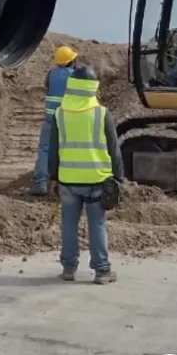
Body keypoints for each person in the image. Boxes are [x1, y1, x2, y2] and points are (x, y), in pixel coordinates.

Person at [47, 64, 124, 284]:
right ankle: (102, 271)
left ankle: (69, 269)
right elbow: (114, 149)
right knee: (97, 224)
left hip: (68, 180)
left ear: (71, 86)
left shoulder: (60, 113)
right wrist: (119, 179)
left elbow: (53, 149)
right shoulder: (101, 113)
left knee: (69, 224)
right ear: (93, 87)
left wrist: (53, 177)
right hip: (96, 179)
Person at [30, 45, 78, 196]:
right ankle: (66, 186)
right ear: (71, 61)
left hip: (50, 119)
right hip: (68, 121)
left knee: (45, 150)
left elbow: (47, 87)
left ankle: (40, 184)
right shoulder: (75, 76)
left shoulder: (50, 74)